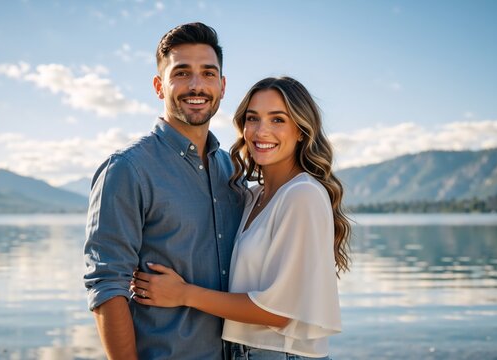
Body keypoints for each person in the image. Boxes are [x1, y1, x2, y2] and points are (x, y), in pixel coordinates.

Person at [132, 76, 352, 359]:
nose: (262, 131)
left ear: (301, 130)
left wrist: (184, 294)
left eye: (278, 120)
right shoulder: (252, 196)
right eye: (253, 118)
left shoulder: (303, 195)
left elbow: (281, 312)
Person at [83, 22, 243, 360]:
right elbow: (107, 285)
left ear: (223, 86)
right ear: (159, 86)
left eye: (208, 73)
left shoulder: (234, 172)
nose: (197, 85)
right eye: (182, 73)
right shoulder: (127, 168)